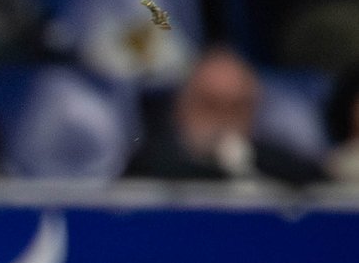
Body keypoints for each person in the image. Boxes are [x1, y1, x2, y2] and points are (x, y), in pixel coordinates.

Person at [127, 46, 326, 185]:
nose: (223, 119)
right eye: (210, 105)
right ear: (181, 108)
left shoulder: (284, 171)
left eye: (237, 107)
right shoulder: (147, 168)